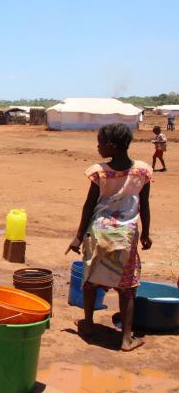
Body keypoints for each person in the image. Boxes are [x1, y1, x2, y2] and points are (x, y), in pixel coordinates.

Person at [66, 123, 152, 352]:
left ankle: (89, 325)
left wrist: (77, 237)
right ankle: (126, 339)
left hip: (99, 232)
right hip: (126, 234)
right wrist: (146, 233)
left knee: (90, 280)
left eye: (100, 142)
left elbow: (89, 205)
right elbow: (144, 205)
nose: (98, 146)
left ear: (111, 146)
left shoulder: (100, 172)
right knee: (127, 288)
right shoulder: (142, 171)